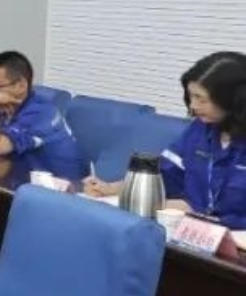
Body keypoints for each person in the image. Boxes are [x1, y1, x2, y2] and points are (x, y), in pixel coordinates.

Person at [85, 52, 246, 227]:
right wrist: (111, 189)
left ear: (233, 100)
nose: (193, 106)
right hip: (193, 231)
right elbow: (164, 176)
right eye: (191, 97)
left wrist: (204, 217)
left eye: (201, 99)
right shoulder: (199, 129)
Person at [0, 51, 85, 181]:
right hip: (27, 181)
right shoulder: (6, 106)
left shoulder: (41, 112)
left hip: (63, 189)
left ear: (21, 85)